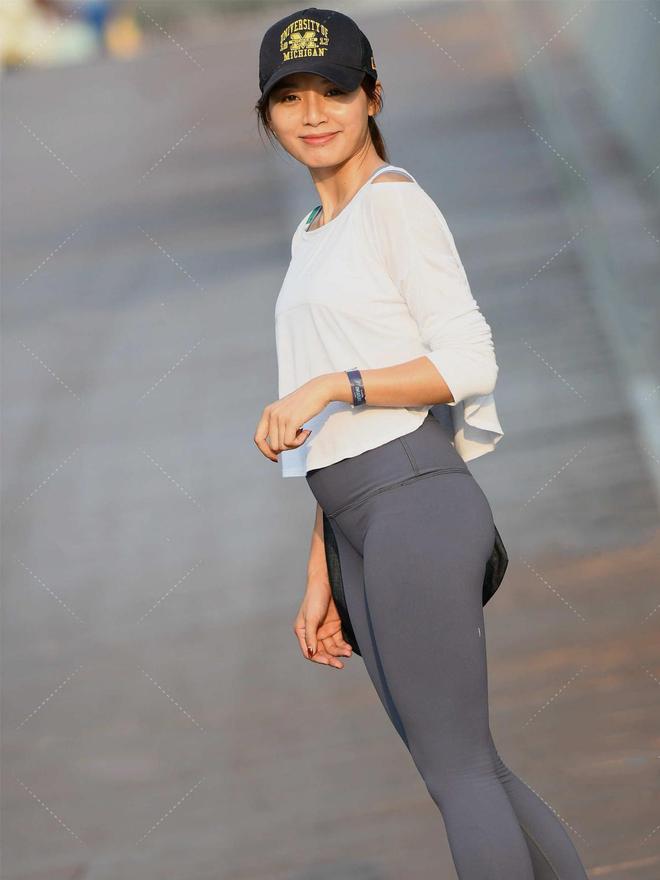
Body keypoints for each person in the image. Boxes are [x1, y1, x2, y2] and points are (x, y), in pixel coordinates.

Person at [253, 8, 590, 879]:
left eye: (333, 90)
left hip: (413, 502)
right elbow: (336, 436)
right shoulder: (313, 232)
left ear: (373, 96)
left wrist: (333, 385)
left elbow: (468, 361)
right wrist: (323, 565)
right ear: (268, 115)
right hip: (358, 521)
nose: (313, 113)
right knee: (466, 769)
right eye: (290, 97)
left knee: (460, 771)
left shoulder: (394, 205)